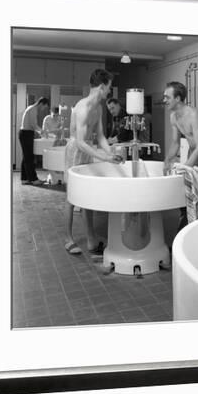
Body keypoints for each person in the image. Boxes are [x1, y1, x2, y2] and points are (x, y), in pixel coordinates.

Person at [63, 69, 124, 256]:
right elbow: (80, 142)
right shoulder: (83, 107)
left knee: (86, 194)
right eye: (109, 87)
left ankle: (91, 239)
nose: (110, 91)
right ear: (101, 86)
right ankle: (68, 238)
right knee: (72, 197)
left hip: (87, 148)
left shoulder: (98, 108)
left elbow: (101, 137)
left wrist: (110, 153)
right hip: (75, 149)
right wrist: (103, 158)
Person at [162, 81, 198, 231]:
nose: (164, 100)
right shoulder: (173, 117)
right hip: (192, 151)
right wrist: (167, 159)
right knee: (190, 191)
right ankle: (189, 229)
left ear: (178, 98)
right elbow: (175, 142)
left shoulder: (193, 114)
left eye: (167, 97)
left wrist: (185, 167)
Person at [19, 97, 50, 185]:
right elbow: (33, 125)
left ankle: (24, 179)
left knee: (26, 157)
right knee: (29, 158)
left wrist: (40, 132)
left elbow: (33, 125)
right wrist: (42, 132)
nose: (43, 109)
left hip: (25, 133)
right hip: (26, 134)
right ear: (41, 103)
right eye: (44, 107)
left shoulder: (31, 108)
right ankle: (33, 179)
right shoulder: (33, 109)